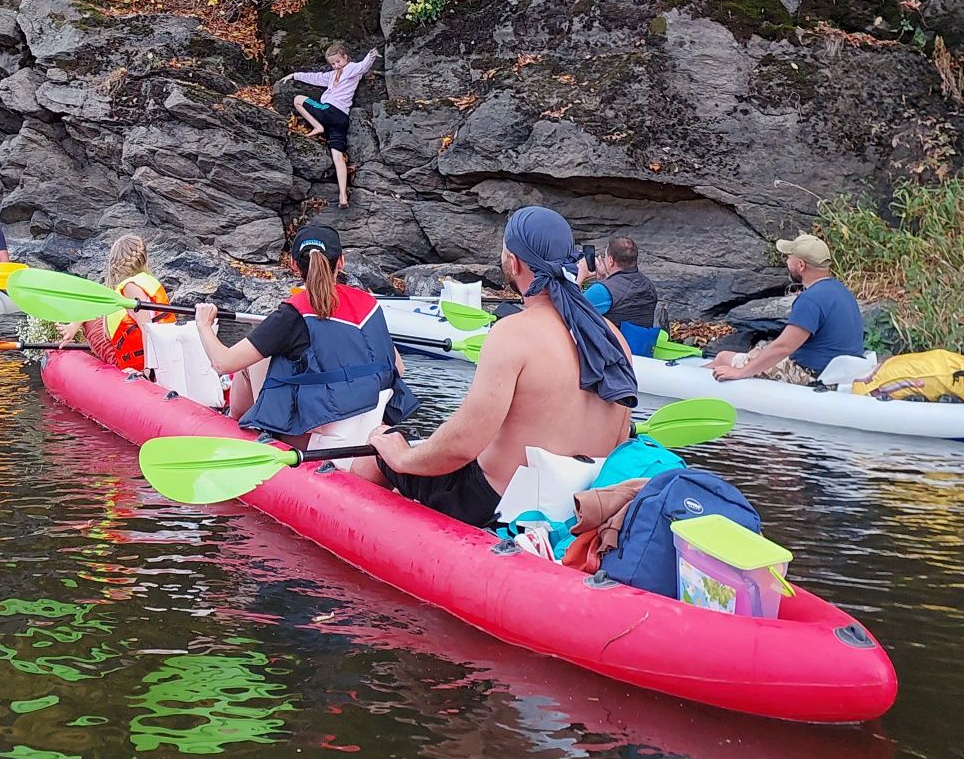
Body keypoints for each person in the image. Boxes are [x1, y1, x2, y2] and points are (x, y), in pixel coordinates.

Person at [366, 206, 637, 527]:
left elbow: (461, 447)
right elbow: (621, 439)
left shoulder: (513, 333)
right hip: (579, 503)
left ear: (515, 261)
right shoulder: (613, 337)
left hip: (496, 504)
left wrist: (400, 456)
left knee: (377, 449)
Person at [192, 224, 419, 446]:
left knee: (252, 364)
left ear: (292, 264)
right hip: (366, 419)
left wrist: (203, 323)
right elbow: (398, 367)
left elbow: (223, 363)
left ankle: (233, 422)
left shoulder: (291, 315)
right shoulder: (370, 304)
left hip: (313, 432)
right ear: (341, 261)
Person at [712, 233, 865, 385]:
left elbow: (783, 347)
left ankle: (694, 386)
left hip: (813, 376)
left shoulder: (810, 300)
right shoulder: (841, 290)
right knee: (760, 347)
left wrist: (741, 372)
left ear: (801, 265)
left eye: (789, 257)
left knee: (723, 358)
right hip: (838, 371)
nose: (786, 261)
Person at [281, 43, 378, 209]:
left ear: (346, 57)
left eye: (338, 61)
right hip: (341, 119)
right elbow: (315, 77)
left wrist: (371, 55)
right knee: (338, 156)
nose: (336, 65)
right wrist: (295, 75)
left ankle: (317, 126)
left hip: (329, 111)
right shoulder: (332, 75)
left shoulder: (351, 69)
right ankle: (343, 196)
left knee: (298, 99)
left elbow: (363, 66)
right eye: (333, 63)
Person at [61, 233, 169, 369]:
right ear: (145, 258)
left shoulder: (130, 288)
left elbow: (147, 329)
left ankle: (75, 328)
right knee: (98, 307)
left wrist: (148, 369)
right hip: (160, 354)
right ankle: (73, 328)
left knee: (93, 314)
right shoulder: (147, 282)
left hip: (136, 363)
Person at [578, 235, 661, 332]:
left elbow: (570, 312)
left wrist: (580, 277)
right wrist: (604, 279)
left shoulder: (601, 291)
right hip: (641, 346)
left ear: (611, 261)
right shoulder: (648, 285)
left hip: (612, 346)